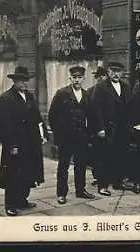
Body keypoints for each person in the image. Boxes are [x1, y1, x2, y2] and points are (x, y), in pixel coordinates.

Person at [0, 66, 47, 216]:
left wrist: (42, 134)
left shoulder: (30, 97)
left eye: (26, 80)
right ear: (14, 81)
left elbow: (37, 118)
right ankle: (10, 204)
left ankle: (22, 200)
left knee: (28, 173)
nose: (24, 83)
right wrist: (11, 145)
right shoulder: (5, 98)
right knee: (13, 173)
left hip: (30, 143)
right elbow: (3, 125)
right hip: (16, 144)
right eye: (21, 81)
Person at [89, 62, 140, 194]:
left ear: (122, 73)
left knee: (121, 155)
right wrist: (99, 128)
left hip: (123, 128)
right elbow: (95, 109)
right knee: (105, 157)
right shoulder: (101, 87)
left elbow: (132, 107)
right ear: (108, 72)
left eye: (119, 71)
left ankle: (118, 182)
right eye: (113, 71)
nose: (116, 74)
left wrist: (135, 123)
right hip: (108, 128)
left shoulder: (126, 87)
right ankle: (103, 185)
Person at [49, 66, 95, 204]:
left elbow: (91, 115)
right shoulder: (62, 93)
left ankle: (80, 190)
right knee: (63, 165)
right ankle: (61, 193)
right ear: (70, 78)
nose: (77, 80)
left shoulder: (87, 95)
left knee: (80, 165)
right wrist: (58, 133)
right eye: (74, 77)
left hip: (81, 137)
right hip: (66, 137)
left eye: (79, 77)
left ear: (83, 79)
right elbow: (52, 115)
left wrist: (89, 134)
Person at [87, 66, 107, 187]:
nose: (101, 78)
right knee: (96, 154)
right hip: (94, 128)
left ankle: (106, 176)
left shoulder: (109, 90)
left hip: (108, 127)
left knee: (106, 153)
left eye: (103, 76)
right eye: (99, 77)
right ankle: (97, 177)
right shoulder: (90, 91)